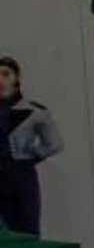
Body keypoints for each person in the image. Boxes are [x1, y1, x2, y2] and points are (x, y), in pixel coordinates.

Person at [0, 57, 63, 237]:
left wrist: (33, 155)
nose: (0, 81)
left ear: (17, 79)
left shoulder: (35, 111)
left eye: (6, 74)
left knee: (27, 230)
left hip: (21, 177)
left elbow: (55, 143)